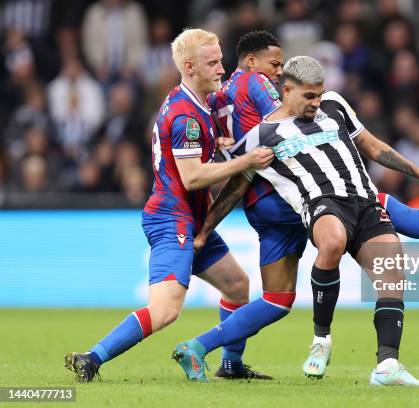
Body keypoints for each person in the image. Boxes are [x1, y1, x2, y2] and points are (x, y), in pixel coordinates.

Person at [195, 31, 419, 380]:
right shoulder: (258, 84)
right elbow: (285, 123)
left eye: (282, 66)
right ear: (252, 61)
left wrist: (220, 169)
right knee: (372, 199)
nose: (278, 71)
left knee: (276, 300)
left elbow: (224, 148)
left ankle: (222, 358)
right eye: (276, 65)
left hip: (262, 198)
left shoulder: (219, 95)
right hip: (278, 187)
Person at [63, 28, 274, 382]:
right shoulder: (186, 116)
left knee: (238, 285)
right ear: (189, 67)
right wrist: (247, 160)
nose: (222, 68)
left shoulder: (197, 104)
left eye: (221, 59)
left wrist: (221, 141)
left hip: (192, 217)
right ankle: (91, 358)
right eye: (213, 63)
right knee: (164, 312)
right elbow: (191, 178)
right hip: (171, 219)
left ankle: (231, 367)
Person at [241, 55, 419, 386]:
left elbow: (372, 146)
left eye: (319, 94)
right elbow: (231, 180)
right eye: (309, 96)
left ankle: (387, 365)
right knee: (332, 242)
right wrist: (204, 225)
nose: (317, 102)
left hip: (364, 199)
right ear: (287, 90)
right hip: (320, 201)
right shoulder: (263, 134)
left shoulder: (335, 105)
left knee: (392, 270)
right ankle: (321, 340)